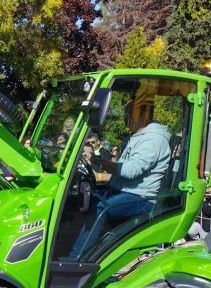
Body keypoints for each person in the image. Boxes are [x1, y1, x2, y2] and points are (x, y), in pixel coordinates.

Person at [68, 101, 171, 259]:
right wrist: (96, 168)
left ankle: (77, 259)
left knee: (101, 208)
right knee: (87, 199)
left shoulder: (153, 140)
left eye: (129, 114)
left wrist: (100, 162)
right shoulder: (135, 138)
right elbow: (119, 173)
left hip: (142, 198)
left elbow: (129, 171)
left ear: (142, 115)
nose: (125, 118)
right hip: (127, 191)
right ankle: (91, 253)